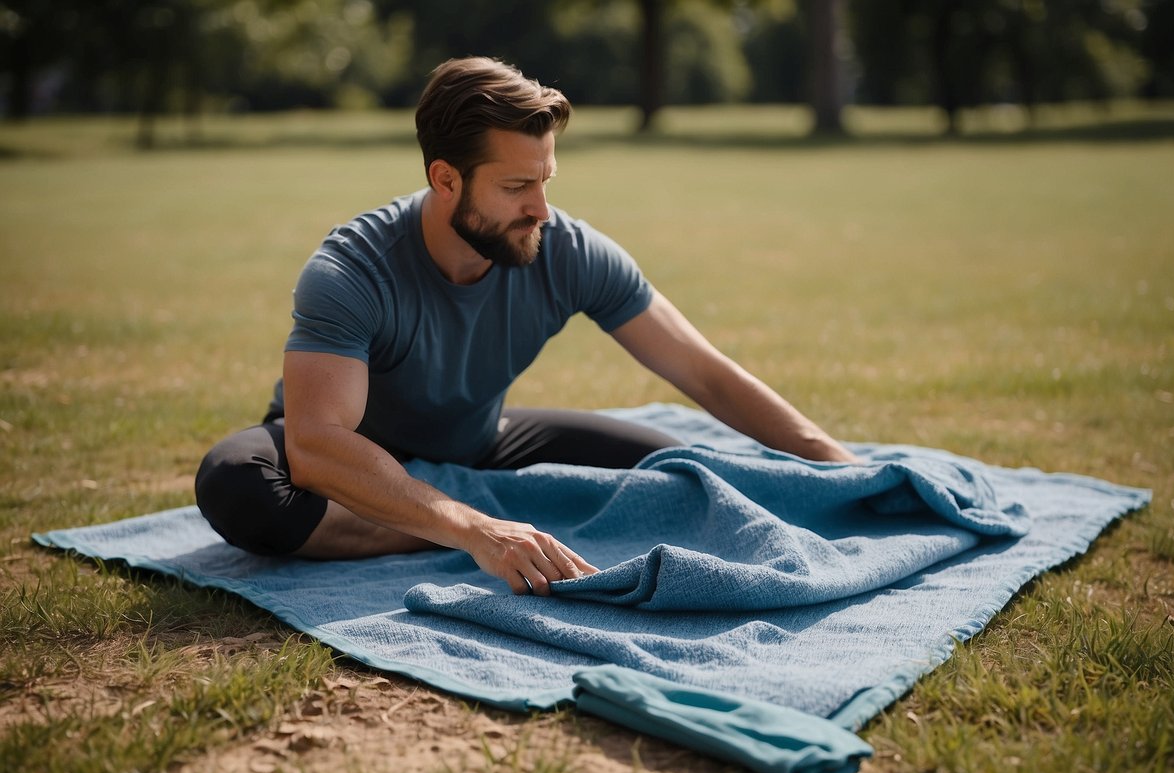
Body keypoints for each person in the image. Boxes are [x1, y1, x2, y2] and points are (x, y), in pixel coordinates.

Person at [195, 56, 856, 597]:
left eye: (546, 179)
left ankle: (478, 510)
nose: (540, 208)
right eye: (516, 187)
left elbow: (704, 373)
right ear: (445, 179)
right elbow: (317, 446)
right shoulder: (350, 270)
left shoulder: (564, 248)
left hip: (478, 444)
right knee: (235, 484)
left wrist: (838, 465)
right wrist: (476, 531)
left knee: (677, 470)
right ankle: (465, 518)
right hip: (351, 471)